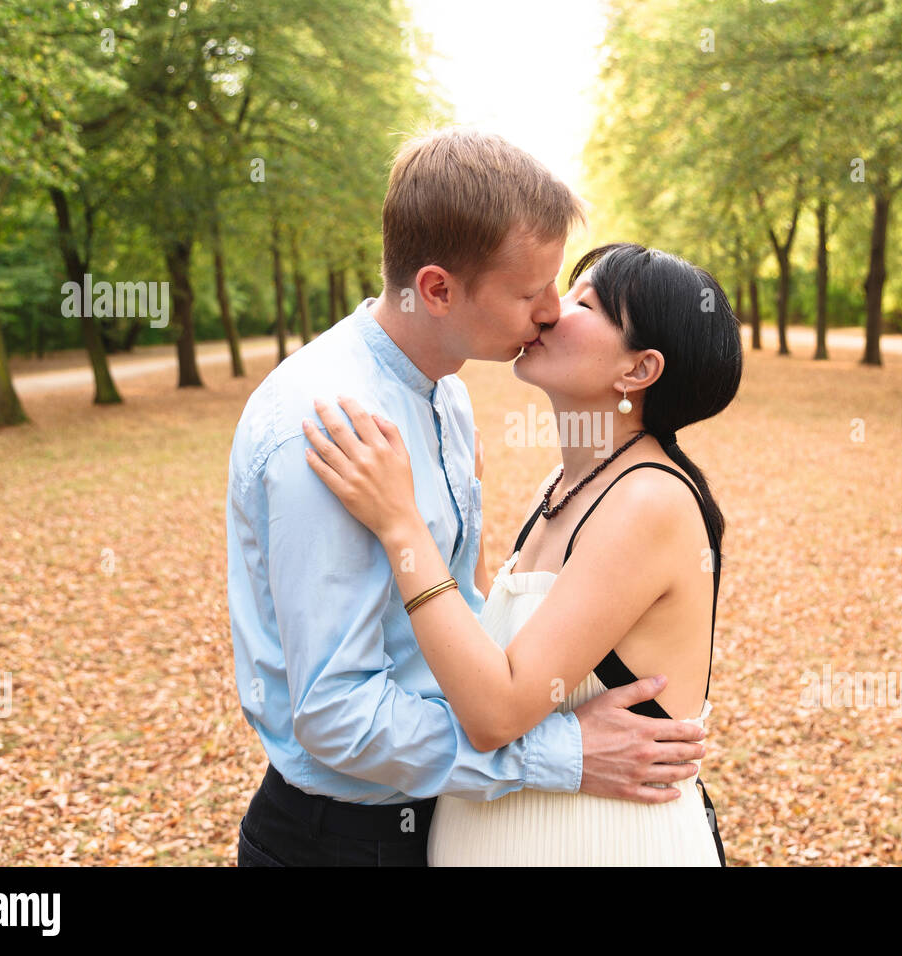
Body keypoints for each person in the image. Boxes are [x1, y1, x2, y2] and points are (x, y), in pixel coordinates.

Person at [227, 129, 710, 867]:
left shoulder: (447, 399)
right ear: (438, 289)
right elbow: (335, 716)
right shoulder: (325, 428)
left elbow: (473, 620)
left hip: (446, 812)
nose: (550, 312)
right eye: (532, 293)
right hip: (343, 841)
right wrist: (560, 754)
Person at [303, 241, 742, 864]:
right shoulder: (563, 486)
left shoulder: (649, 501)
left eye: (586, 302)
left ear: (638, 371)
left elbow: (497, 711)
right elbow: (496, 652)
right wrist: (468, 510)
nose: (552, 310)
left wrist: (401, 525)